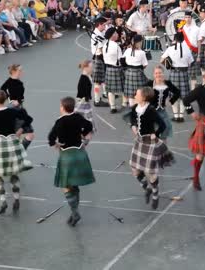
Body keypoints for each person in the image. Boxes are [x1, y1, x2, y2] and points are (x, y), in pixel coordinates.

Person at [0, 90, 33, 215]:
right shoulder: (13, 111)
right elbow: (28, 119)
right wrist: (20, 130)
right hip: (13, 142)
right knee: (14, 172)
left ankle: (3, 200)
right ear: (5, 100)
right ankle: (16, 199)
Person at [48, 96, 95, 227]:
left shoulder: (60, 121)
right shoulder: (78, 117)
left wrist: (56, 144)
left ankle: (75, 212)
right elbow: (89, 126)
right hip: (80, 153)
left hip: (67, 155)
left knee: (66, 186)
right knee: (75, 185)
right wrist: (84, 138)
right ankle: (75, 212)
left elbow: (51, 137)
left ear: (62, 108)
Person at [129, 86, 173, 210]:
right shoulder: (134, 108)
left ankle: (155, 193)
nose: (135, 95)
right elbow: (132, 118)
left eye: (136, 94)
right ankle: (146, 187)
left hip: (150, 142)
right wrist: (133, 126)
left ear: (143, 97)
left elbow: (163, 125)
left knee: (150, 172)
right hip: (139, 141)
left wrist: (156, 134)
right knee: (135, 169)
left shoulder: (151, 110)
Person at [160, 32, 193, 122]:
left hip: (174, 72)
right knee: (183, 95)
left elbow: (161, 60)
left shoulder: (170, 49)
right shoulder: (187, 49)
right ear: (183, 39)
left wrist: (168, 65)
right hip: (184, 73)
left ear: (175, 39)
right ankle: (181, 116)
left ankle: (176, 115)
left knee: (173, 94)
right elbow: (191, 63)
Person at [0, 64, 35, 149]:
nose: (21, 72)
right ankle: (17, 154)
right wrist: (10, 99)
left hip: (19, 108)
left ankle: (18, 153)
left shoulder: (18, 82)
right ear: (14, 71)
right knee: (20, 133)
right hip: (14, 108)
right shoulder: (10, 81)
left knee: (24, 133)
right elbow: (2, 89)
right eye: (20, 70)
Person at [146, 65, 180, 140]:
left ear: (163, 73)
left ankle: (162, 148)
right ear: (153, 74)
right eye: (156, 73)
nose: (158, 75)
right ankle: (152, 148)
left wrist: (171, 101)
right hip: (151, 111)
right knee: (152, 130)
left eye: (160, 73)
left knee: (166, 128)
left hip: (162, 111)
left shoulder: (167, 83)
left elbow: (177, 92)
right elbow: (141, 93)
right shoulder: (150, 84)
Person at [123, 34, 148, 107]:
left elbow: (122, 60)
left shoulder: (127, 50)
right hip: (138, 72)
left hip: (128, 72)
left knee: (130, 93)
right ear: (139, 42)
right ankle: (138, 107)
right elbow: (145, 64)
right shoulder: (142, 53)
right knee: (139, 91)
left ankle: (132, 107)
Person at [103, 27, 124, 113]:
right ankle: (125, 104)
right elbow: (121, 59)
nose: (117, 34)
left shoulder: (105, 44)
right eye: (115, 33)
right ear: (112, 35)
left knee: (110, 90)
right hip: (117, 69)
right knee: (123, 88)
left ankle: (113, 107)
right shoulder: (116, 46)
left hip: (108, 68)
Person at [90, 17, 109, 107]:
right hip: (99, 58)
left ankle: (105, 93)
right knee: (97, 82)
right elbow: (103, 47)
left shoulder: (99, 32)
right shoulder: (97, 35)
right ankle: (97, 100)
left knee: (103, 78)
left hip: (101, 58)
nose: (105, 27)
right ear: (99, 25)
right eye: (104, 25)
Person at [75, 59, 97, 130]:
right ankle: (90, 128)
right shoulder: (83, 79)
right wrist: (85, 97)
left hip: (86, 100)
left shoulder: (88, 76)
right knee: (78, 115)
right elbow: (80, 89)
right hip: (83, 100)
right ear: (86, 68)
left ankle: (91, 127)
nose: (92, 69)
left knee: (87, 115)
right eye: (91, 67)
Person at [181, 11, 200, 91]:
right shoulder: (181, 28)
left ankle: (193, 91)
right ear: (184, 18)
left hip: (193, 52)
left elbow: (199, 42)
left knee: (193, 74)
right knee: (184, 72)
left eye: (189, 17)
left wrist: (199, 55)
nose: (187, 19)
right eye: (186, 17)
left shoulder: (197, 29)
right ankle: (185, 89)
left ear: (191, 18)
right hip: (184, 52)